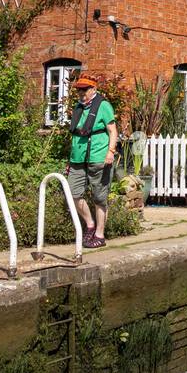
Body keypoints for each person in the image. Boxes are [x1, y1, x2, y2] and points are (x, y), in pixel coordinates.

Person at [66, 75, 118, 248]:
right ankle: (90, 224)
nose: (81, 93)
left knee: (99, 198)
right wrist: (70, 157)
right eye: (79, 90)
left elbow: (113, 131)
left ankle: (100, 235)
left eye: (84, 90)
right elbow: (75, 134)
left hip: (98, 157)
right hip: (78, 158)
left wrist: (110, 152)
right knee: (73, 193)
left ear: (93, 90)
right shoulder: (78, 107)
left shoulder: (103, 106)